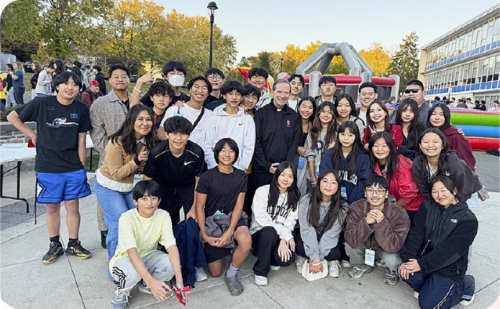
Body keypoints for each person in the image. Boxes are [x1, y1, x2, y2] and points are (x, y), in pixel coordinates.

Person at [7, 71, 92, 264]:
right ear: (57, 85)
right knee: (51, 207)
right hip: (47, 166)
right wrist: (32, 134)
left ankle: (73, 242)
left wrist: (81, 165)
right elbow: (13, 116)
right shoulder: (42, 103)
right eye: (66, 83)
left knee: (73, 207)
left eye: (75, 84)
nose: (70, 87)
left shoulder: (81, 109)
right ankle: (55, 244)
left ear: (79, 88)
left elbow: (81, 138)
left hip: (72, 167)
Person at [399, 176, 477, 309]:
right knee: (406, 273)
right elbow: (415, 235)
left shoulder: (468, 219)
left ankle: (466, 284)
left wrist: (422, 265)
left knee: (428, 305)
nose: (440, 195)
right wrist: (409, 260)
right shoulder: (427, 207)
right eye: (435, 191)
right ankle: (430, 287)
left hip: (449, 267)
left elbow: (449, 252)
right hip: (425, 258)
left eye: (444, 190)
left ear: (454, 191)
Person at [109, 180, 186, 309]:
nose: (149, 203)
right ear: (135, 201)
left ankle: (145, 284)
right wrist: (153, 283)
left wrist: (179, 281)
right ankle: (122, 292)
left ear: (159, 201)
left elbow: (172, 247)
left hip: (150, 255)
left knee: (171, 264)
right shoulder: (127, 218)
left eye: (154, 198)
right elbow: (132, 254)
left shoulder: (163, 215)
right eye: (144, 198)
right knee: (133, 271)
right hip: (124, 259)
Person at [94, 104, 155, 260]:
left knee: (138, 219)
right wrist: (136, 161)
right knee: (121, 222)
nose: (145, 123)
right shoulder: (116, 142)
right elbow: (116, 174)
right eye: (140, 119)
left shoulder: (148, 141)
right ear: (131, 121)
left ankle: (134, 257)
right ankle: (115, 264)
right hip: (109, 186)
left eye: (148, 119)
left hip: (130, 187)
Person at [195, 138, 251, 296]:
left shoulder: (241, 176)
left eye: (231, 151)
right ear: (217, 153)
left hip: (233, 217)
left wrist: (230, 231)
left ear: (236, 154)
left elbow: (239, 205)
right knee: (215, 272)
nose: (227, 154)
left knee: (246, 240)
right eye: (223, 150)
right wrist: (204, 234)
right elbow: (199, 207)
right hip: (212, 222)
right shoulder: (207, 176)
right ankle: (227, 250)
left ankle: (232, 273)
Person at [90, 63, 133, 248]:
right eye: (116, 76)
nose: (120, 79)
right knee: (107, 194)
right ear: (109, 80)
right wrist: (110, 154)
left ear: (129, 79)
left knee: (134, 192)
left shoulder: (137, 100)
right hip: (109, 158)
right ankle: (104, 230)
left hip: (135, 159)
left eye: (124, 76)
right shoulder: (100, 104)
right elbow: (96, 133)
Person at [245, 79, 301, 218]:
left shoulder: (293, 116)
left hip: (284, 172)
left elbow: (294, 143)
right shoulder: (261, 113)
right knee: (258, 205)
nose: (282, 96)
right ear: (272, 91)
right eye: (279, 92)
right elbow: (256, 141)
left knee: (280, 207)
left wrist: (285, 167)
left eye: (286, 92)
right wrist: (266, 165)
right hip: (262, 170)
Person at [344, 175, 410, 285]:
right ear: (365, 193)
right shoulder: (356, 207)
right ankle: (362, 266)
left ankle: (392, 272)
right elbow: (350, 238)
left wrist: (382, 223)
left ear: (386, 194)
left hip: (386, 249)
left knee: (393, 260)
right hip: (364, 245)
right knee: (349, 245)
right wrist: (365, 222)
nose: (374, 195)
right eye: (370, 190)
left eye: (379, 191)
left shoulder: (399, 214)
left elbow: (394, 246)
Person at [143, 116, 206, 226]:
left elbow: (199, 182)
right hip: (164, 185)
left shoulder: (197, 152)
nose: (179, 138)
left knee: (193, 220)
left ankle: (191, 240)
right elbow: (147, 179)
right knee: (165, 218)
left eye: (183, 134)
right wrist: (149, 202)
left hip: (188, 185)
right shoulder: (157, 152)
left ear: (189, 135)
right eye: (174, 134)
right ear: (167, 134)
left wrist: (194, 208)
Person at [250, 161, 300, 285]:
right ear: (277, 175)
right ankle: (260, 271)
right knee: (269, 232)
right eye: (283, 175)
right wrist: (285, 235)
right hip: (259, 234)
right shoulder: (262, 191)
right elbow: (262, 220)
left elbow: (290, 222)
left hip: (280, 236)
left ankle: (272, 259)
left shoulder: (294, 197)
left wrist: (283, 240)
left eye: (290, 176)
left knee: (287, 259)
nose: (286, 179)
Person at [295, 169, 348, 278]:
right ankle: (305, 257)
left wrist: (317, 258)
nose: (328, 185)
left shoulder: (342, 206)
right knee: (300, 247)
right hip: (309, 234)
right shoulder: (307, 200)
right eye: (325, 181)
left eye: (333, 182)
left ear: (338, 186)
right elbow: (306, 229)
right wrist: (315, 258)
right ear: (318, 183)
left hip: (326, 236)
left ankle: (332, 261)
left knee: (335, 253)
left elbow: (332, 233)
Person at [411, 128, 483, 209]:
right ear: (420, 146)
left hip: (466, 193)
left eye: (435, 142)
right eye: (426, 142)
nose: (430, 145)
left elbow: (464, 188)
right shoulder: (418, 163)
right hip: (441, 196)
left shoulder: (454, 163)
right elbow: (424, 189)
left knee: (459, 219)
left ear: (442, 145)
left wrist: (454, 206)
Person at [368, 132, 425, 223]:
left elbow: (408, 194)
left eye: (384, 146)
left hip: (411, 207)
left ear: (391, 147)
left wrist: (388, 209)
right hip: (390, 203)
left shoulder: (401, 165)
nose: (379, 149)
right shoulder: (375, 163)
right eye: (376, 146)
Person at [204, 80, 255, 171]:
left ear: (241, 97)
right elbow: (208, 145)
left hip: (238, 171)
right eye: (230, 93)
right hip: (215, 170)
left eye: (238, 94)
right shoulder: (214, 117)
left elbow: (249, 147)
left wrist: (240, 168)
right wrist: (215, 167)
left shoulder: (247, 120)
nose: (234, 97)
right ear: (224, 95)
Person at [320, 121, 372, 204]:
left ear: (356, 137)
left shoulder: (363, 157)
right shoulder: (329, 154)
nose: (346, 138)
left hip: (355, 203)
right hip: (331, 201)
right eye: (343, 134)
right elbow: (324, 177)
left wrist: (352, 203)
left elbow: (364, 182)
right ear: (338, 135)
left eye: (350, 135)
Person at [157, 76, 212, 148]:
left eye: (204, 88)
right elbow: (160, 133)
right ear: (190, 89)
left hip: (199, 156)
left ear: (208, 93)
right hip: (178, 155)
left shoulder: (210, 114)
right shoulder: (175, 109)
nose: (200, 90)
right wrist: (177, 144)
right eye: (196, 86)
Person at [427, 103, 476, 171]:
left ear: (447, 117)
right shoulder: (426, 134)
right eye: (433, 114)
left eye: (441, 114)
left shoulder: (455, 136)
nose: (437, 117)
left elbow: (465, 159)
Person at [305, 101, 337, 189]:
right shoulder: (312, 133)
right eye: (323, 111)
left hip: (331, 178)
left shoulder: (337, 134)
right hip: (313, 176)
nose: (326, 115)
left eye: (329, 112)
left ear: (333, 116)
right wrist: (312, 178)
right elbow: (310, 156)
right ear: (318, 114)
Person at [296, 97, 317, 195]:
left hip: (309, 163)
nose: (306, 110)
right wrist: (297, 148)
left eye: (310, 108)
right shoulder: (292, 122)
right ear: (298, 107)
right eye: (304, 107)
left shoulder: (314, 125)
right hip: (294, 160)